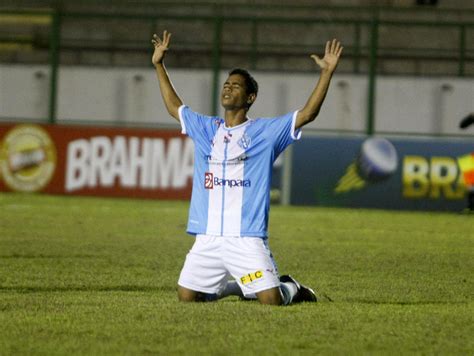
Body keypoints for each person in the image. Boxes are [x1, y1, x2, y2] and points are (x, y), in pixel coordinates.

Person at [151, 30, 343, 305]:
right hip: (208, 236)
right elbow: (175, 107)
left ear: (250, 97)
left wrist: (326, 73)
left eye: (236, 85)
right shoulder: (207, 129)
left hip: (246, 237)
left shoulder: (265, 132)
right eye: (226, 84)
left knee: (272, 301)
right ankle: (236, 287)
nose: (228, 88)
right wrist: (159, 64)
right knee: (187, 298)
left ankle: (291, 287)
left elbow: (307, 114)